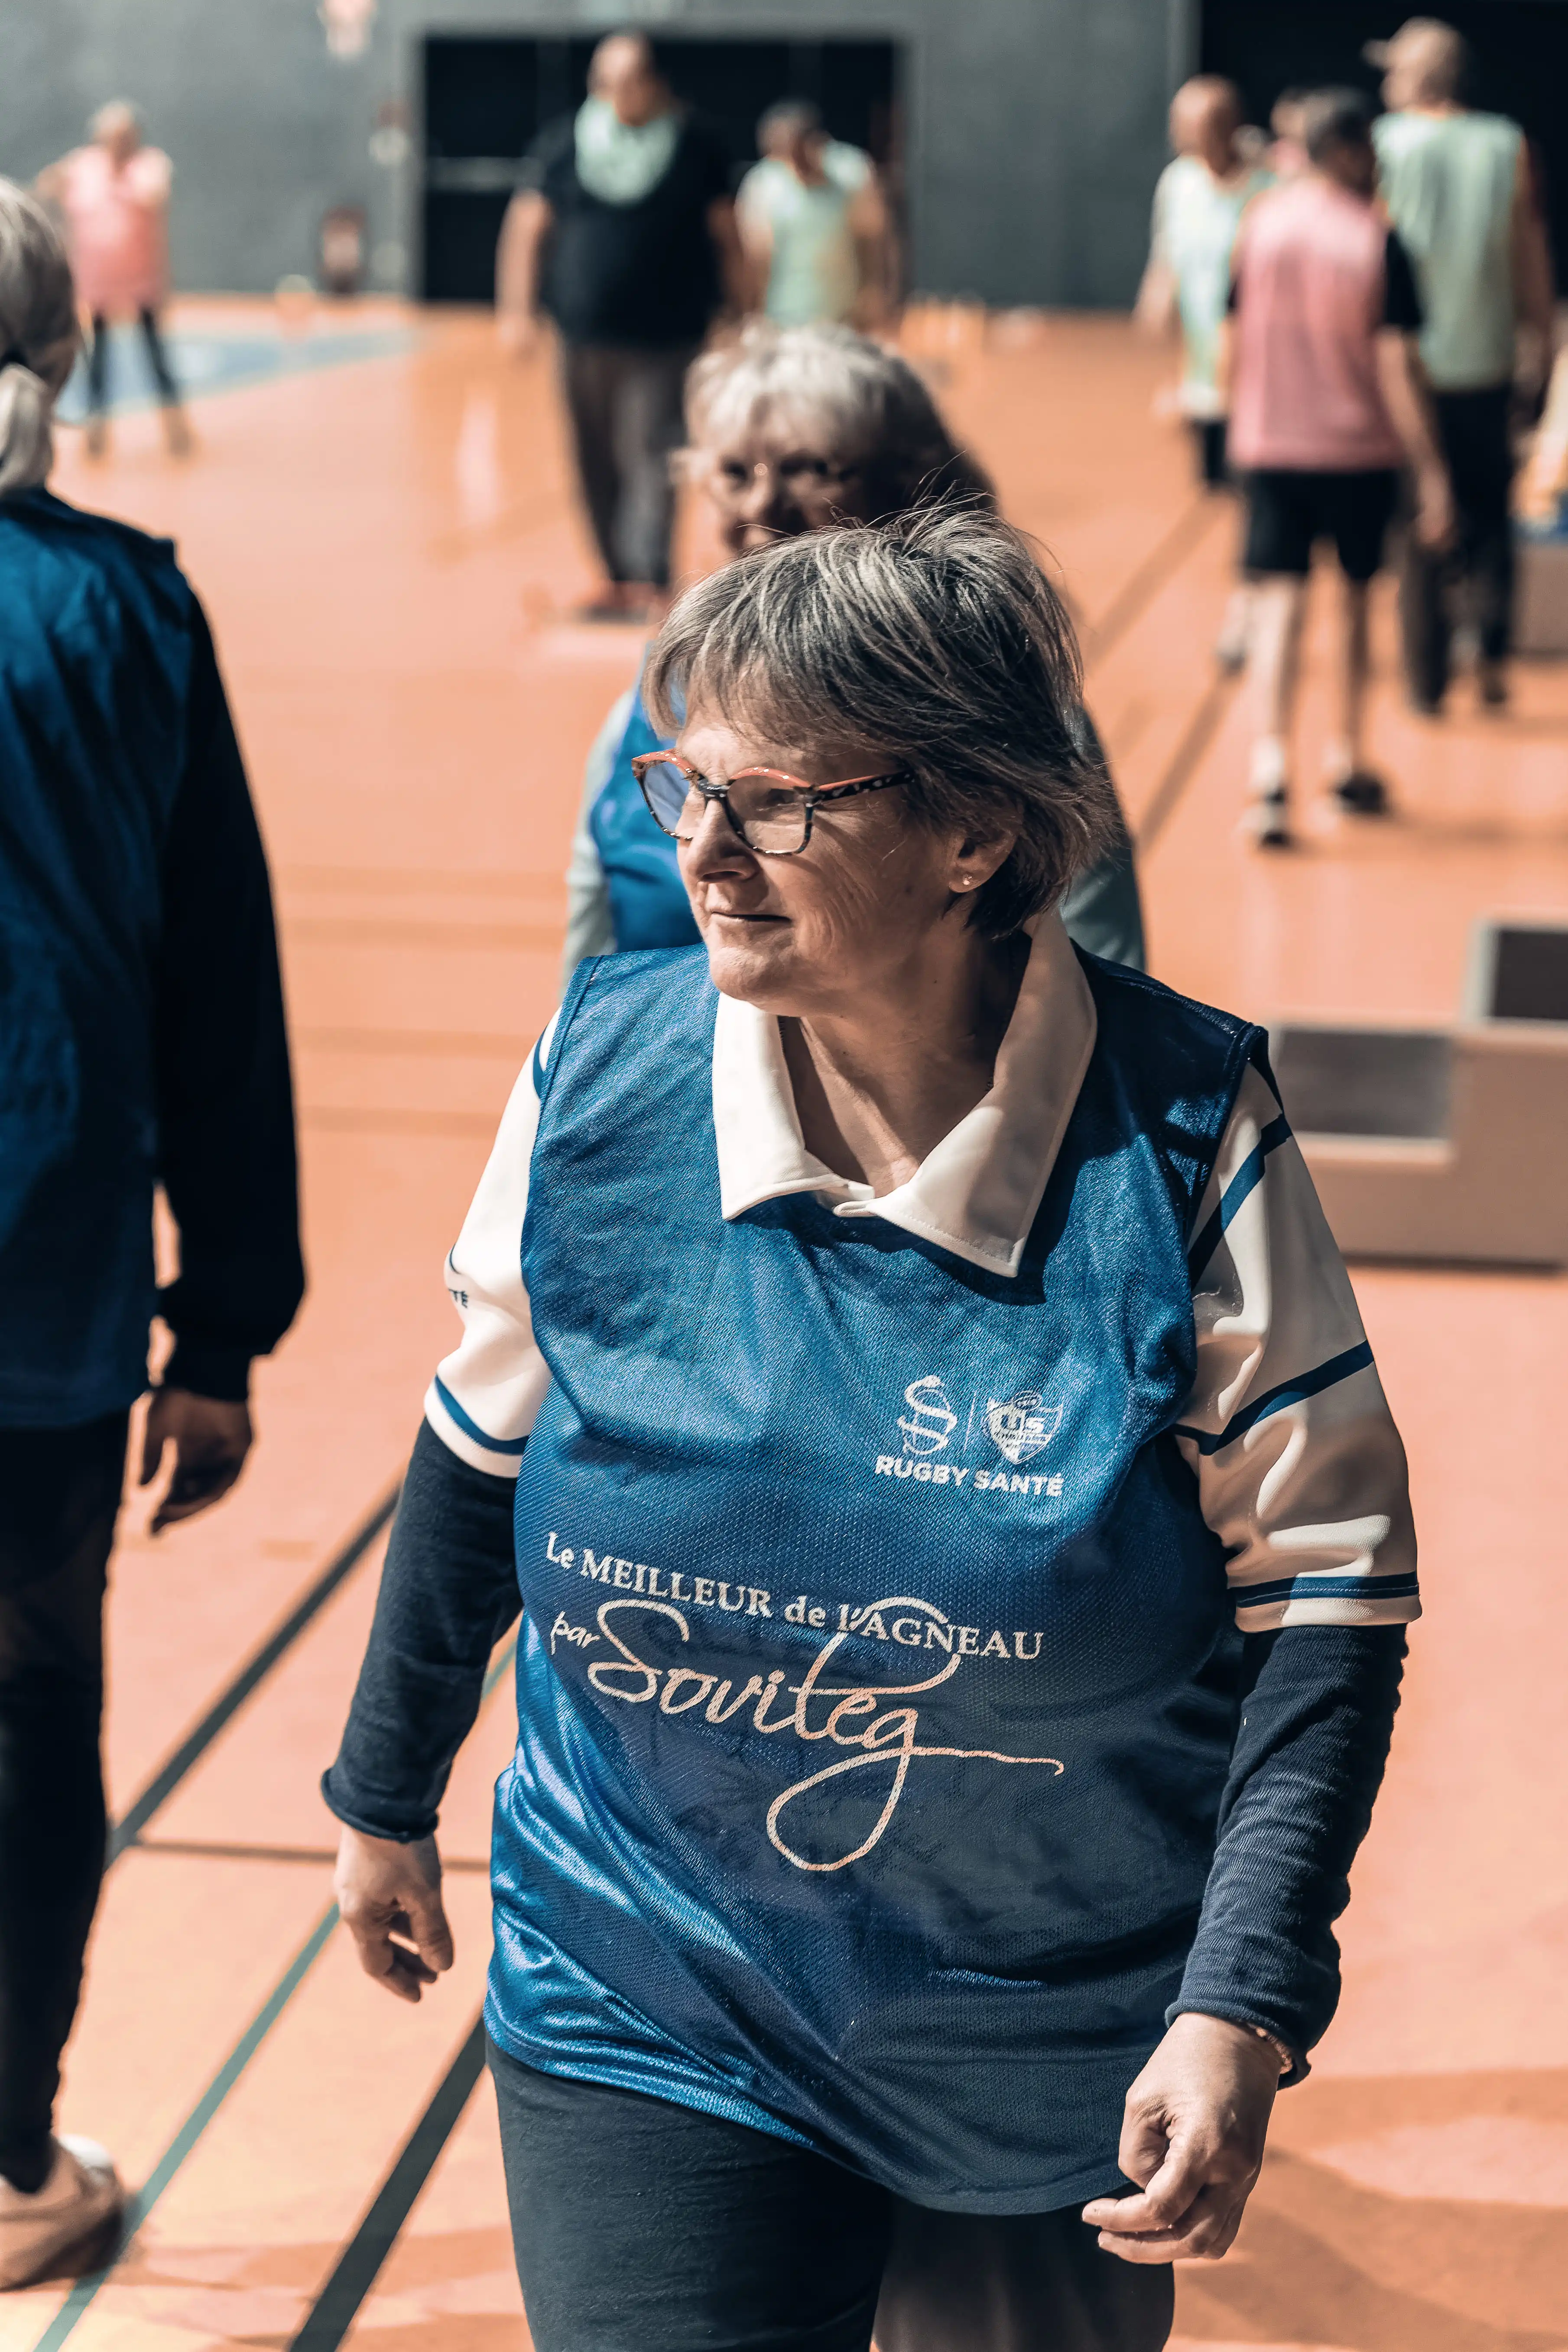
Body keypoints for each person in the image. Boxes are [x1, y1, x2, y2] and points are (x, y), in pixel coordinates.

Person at [324, 501, 1417, 2352]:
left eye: (784, 801)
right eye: (687, 783)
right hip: (645, 1967)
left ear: (974, 831)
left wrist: (1236, 1996)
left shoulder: (1178, 1134)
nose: (705, 849)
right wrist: (383, 1785)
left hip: (1040, 2020)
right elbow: (476, 1444)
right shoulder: (601, 1075)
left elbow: (1327, 1598)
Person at [0, 183, 302, 2290]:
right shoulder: (124, 610)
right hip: (49, 1274)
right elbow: (217, 978)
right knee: (23, 1703)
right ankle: (4, 2157)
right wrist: (230, 1315)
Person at [562, 320, 1146, 982]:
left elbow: (1103, 976)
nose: (761, 503)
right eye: (731, 472)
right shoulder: (643, 715)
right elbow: (589, 977)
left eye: (808, 469)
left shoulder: (1008, 716)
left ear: (911, 489)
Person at [1225, 90, 1454, 848]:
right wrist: (1431, 469)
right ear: (1350, 151)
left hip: (1269, 445)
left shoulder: (1258, 226)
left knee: (1278, 607)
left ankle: (1268, 776)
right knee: (1353, 605)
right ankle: (1346, 757)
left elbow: (1232, 334)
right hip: (1355, 451)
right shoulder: (1374, 239)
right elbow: (1394, 366)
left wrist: (1237, 426)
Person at [495, 32, 747, 621]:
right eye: (603, 81)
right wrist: (516, 311)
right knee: (593, 457)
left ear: (655, 82)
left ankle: (650, 577)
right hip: (583, 331)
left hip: (668, 333)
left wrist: (744, 309)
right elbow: (528, 225)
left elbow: (727, 232)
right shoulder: (567, 143)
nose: (615, 93)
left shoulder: (696, 144)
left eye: (628, 79)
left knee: (653, 453)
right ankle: (612, 575)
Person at [1369, 18, 1558, 711]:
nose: (1385, 83)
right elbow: (1529, 253)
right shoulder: (1509, 147)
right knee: (1486, 511)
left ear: (1417, 78)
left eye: (1393, 71)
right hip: (1486, 362)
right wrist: (1541, 343)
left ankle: (1425, 682)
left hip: (1406, 368)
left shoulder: (1381, 146)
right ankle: (1487, 641)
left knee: (1419, 520)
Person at [1136, 78, 1272, 671]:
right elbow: (1167, 258)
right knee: (1218, 494)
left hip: (1259, 377)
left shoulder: (1267, 190)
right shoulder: (1179, 182)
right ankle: (1249, 594)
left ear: (1220, 127)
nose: (1175, 138)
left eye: (1185, 126)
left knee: (1250, 498)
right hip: (1202, 376)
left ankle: (1243, 614)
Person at [35, 103, 190, 460]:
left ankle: (175, 425)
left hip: (141, 282)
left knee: (155, 356)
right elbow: (47, 186)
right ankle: (97, 430)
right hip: (98, 284)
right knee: (98, 359)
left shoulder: (150, 167)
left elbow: (154, 198)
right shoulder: (83, 166)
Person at [736, 101, 893, 330]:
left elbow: (874, 240)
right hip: (784, 318)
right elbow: (756, 261)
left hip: (844, 317)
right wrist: (753, 314)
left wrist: (874, 292)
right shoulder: (763, 186)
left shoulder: (852, 172)